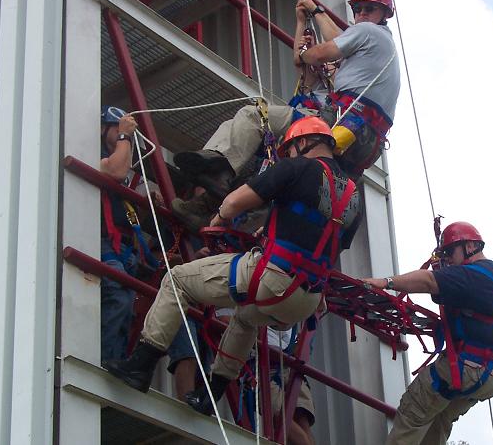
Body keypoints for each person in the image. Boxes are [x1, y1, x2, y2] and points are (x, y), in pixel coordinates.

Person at [104, 117, 361, 417]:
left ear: (302, 143)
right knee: (245, 319)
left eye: (289, 149)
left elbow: (232, 205)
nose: (288, 154)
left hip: (272, 278)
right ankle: (209, 395)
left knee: (178, 281)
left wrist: (217, 221)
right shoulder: (353, 195)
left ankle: (140, 366)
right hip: (305, 300)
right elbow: (328, 241)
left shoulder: (295, 167)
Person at [171, 0, 400, 228]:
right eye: (358, 9)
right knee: (266, 168)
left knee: (255, 116)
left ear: (384, 14)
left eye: (369, 9)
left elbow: (320, 53)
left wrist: (314, 19)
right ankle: (206, 206)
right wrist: (305, 23)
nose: (362, 14)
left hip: (337, 123)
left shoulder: (368, 34)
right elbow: (313, 61)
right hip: (359, 139)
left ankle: (219, 167)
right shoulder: (368, 62)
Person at [362, 222, 493, 445]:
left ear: (471, 246)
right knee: (439, 419)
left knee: (412, 411)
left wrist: (385, 282)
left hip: (466, 368)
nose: (449, 259)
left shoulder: (471, 276)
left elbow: (428, 281)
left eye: (450, 252)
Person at [99, 106, 141, 364]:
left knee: (127, 302)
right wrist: (125, 137)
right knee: (119, 297)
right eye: (117, 127)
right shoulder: (96, 154)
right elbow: (114, 171)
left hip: (125, 249)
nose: (123, 133)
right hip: (106, 245)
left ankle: (118, 358)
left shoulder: (123, 167)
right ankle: (108, 360)